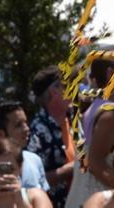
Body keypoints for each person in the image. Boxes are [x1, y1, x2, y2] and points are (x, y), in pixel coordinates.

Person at [63, 60, 114, 208]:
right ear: (111, 74)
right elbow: (95, 163)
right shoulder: (110, 115)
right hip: (97, 197)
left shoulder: (97, 106)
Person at [0, 103, 50, 195]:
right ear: (0, 134)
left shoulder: (35, 160)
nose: (26, 129)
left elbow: (45, 199)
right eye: (18, 125)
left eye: (26, 122)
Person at [26, 68, 72, 207]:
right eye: (67, 84)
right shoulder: (37, 132)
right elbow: (33, 182)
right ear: (54, 91)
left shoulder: (74, 119)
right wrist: (71, 169)